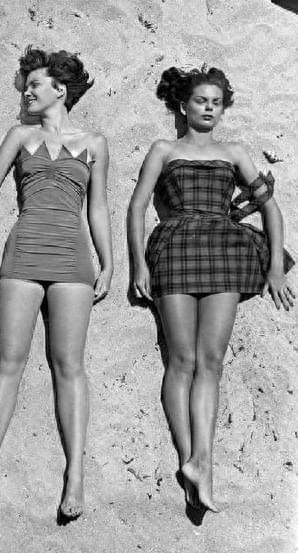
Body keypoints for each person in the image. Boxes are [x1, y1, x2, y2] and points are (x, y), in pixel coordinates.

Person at [127, 66, 294, 513]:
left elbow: (271, 211)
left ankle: (204, 462)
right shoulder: (164, 148)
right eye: (201, 101)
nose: (208, 109)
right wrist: (137, 264)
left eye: (216, 103)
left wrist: (275, 267)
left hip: (224, 251)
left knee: (211, 362)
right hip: (176, 247)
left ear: (223, 109)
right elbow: (139, 205)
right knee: (180, 359)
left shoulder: (234, 152)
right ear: (184, 105)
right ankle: (190, 459)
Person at [0, 47, 113, 521]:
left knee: (69, 365)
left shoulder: (95, 142)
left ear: (60, 90)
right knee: (8, 361)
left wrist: (109, 262)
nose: (27, 91)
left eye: (35, 84)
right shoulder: (20, 136)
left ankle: (75, 477)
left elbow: (99, 208)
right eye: (26, 85)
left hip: (72, 257)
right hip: (23, 251)